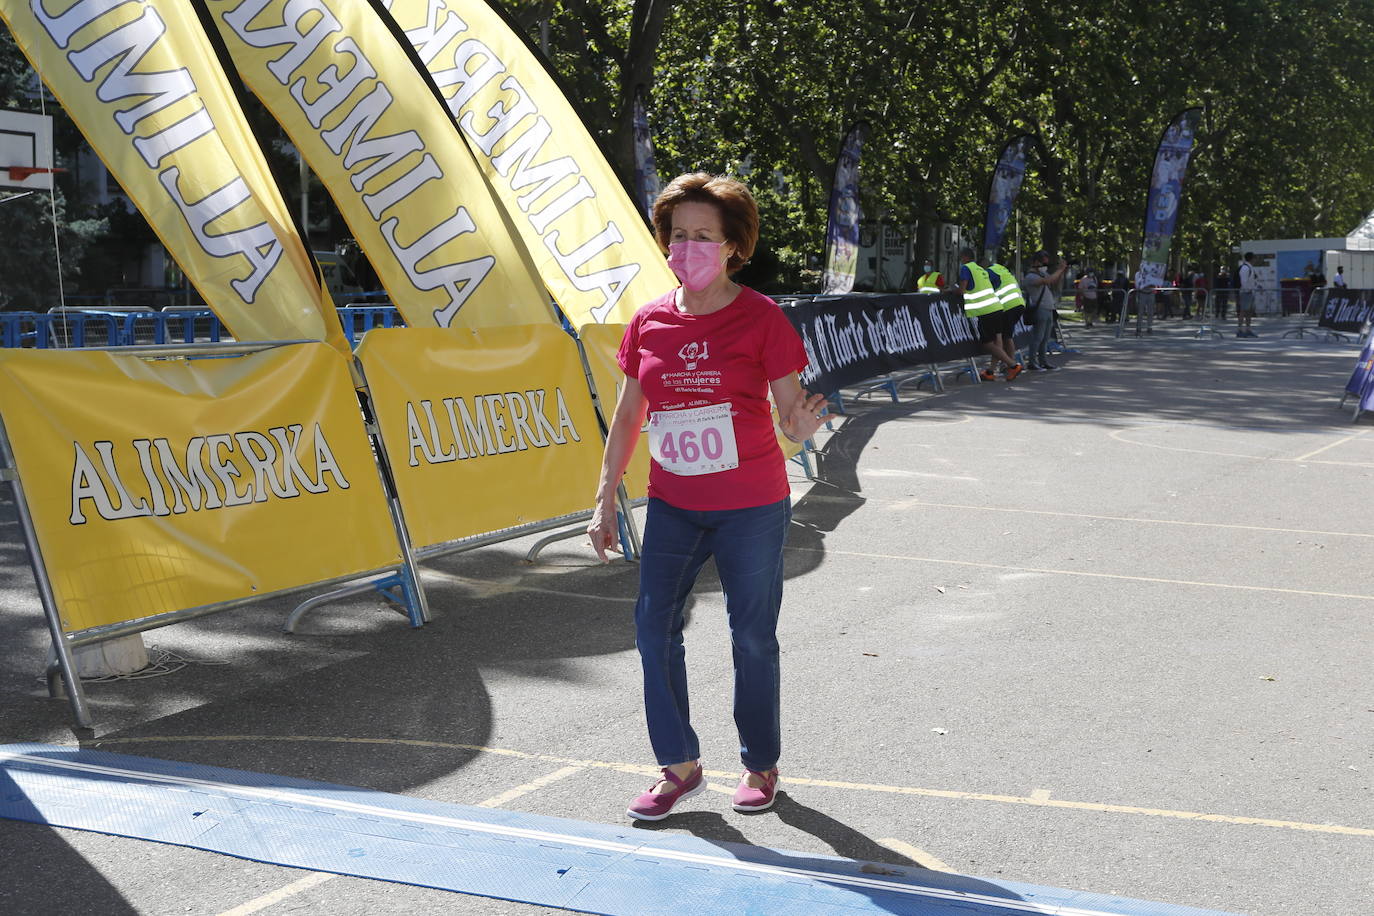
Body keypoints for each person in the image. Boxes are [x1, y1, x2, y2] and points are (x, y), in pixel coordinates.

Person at [588, 172, 830, 822]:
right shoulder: (650, 322)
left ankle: (760, 764)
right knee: (651, 627)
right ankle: (680, 766)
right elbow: (629, 414)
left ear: (732, 247)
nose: (688, 247)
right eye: (678, 235)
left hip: (751, 503)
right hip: (672, 503)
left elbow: (789, 413)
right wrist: (605, 495)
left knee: (751, 636)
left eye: (704, 236)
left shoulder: (762, 319)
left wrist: (800, 429)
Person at [958, 248, 1020, 380]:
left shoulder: (966, 268)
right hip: (997, 307)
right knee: (998, 340)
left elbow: (962, 290)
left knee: (987, 343)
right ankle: (991, 372)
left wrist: (952, 291)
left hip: (985, 310)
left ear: (964, 257)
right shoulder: (982, 270)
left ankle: (1013, 365)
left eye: (960, 257)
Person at [1023, 251, 1068, 369]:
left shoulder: (1043, 274)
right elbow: (1048, 281)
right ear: (1036, 262)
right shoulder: (1030, 277)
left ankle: (1043, 361)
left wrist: (1061, 271)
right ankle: (1032, 362)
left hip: (1049, 308)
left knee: (1045, 338)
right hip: (1040, 309)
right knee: (1038, 337)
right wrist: (1060, 269)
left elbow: (1053, 281)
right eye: (1042, 263)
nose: (1044, 266)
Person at [988, 260, 1026, 376]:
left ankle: (1011, 366)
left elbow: (986, 290)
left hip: (1007, 306)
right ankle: (1004, 366)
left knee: (1003, 337)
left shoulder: (989, 272)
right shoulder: (1000, 268)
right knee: (1005, 337)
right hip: (1018, 303)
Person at [1237, 251, 1258, 337]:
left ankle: (1248, 329)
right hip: (1246, 292)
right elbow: (1243, 281)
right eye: (1254, 258)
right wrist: (1247, 290)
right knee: (1243, 311)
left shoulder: (1250, 267)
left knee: (1249, 312)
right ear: (1252, 258)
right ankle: (1240, 330)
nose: (1255, 260)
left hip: (1250, 292)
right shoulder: (1245, 268)